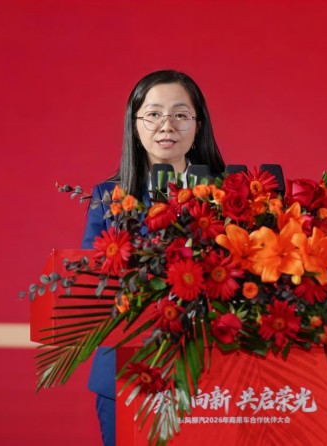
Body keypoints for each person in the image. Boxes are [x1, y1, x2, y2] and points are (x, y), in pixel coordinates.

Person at [81, 69, 226, 445]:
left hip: (218, 375)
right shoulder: (108, 198)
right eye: (154, 114)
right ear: (135, 124)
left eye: (180, 114)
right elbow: (94, 282)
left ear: (198, 125)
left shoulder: (231, 193)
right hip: (127, 370)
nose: (167, 125)